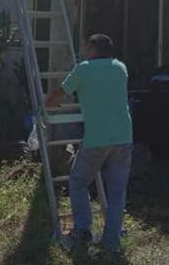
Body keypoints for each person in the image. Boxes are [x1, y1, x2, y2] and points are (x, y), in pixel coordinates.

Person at [46, 34, 133, 252]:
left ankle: (83, 229)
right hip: (123, 136)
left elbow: (59, 94)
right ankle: (112, 241)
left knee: (77, 180)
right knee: (117, 191)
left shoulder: (83, 69)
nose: (84, 50)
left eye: (87, 46)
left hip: (97, 138)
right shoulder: (120, 68)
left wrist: (47, 104)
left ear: (93, 48)